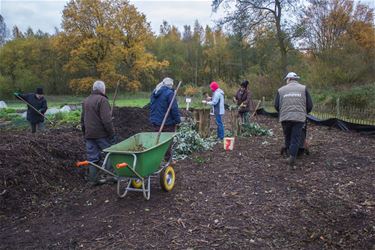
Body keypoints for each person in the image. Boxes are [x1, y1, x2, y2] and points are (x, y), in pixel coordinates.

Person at [274, 72, 313, 167]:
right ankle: (292, 157)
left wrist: (282, 112)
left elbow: (276, 105)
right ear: (296, 79)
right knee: (295, 137)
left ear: (288, 79)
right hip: (299, 118)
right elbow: (310, 105)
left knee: (287, 136)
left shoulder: (281, 90)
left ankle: (288, 154)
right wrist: (304, 112)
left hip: (285, 118)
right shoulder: (303, 88)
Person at [81, 80, 115, 185]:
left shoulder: (86, 100)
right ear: (102, 89)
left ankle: (92, 180)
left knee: (92, 157)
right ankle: (110, 177)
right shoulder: (102, 100)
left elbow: (82, 119)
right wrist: (111, 133)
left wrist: (84, 132)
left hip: (89, 134)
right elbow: (107, 120)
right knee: (110, 153)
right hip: (101, 134)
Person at [150, 77, 181, 161]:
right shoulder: (170, 93)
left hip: (155, 121)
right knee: (167, 142)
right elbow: (174, 108)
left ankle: (157, 159)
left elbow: (152, 106)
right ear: (170, 85)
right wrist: (178, 120)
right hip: (167, 122)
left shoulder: (155, 92)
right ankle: (168, 160)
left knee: (158, 141)